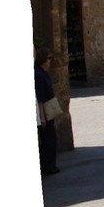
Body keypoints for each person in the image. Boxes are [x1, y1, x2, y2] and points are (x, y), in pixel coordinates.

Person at [35, 47, 59, 176]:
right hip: (45, 112)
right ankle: (47, 166)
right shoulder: (39, 75)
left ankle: (50, 165)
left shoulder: (43, 73)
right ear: (43, 60)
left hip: (49, 110)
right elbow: (40, 98)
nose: (50, 61)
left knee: (51, 138)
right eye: (49, 58)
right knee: (48, 139)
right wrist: (42, 117)